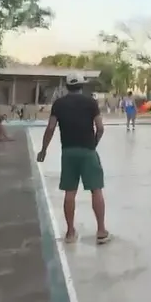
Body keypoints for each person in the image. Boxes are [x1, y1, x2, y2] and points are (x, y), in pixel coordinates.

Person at [36, 73, 109, 244]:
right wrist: (93, 144)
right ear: (82, 85)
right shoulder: (91, 103)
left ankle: (70, 233)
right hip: (88, 151)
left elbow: (50, 128)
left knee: (70, 192)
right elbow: (100, 128)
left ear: (67, 86)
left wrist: (43, 150)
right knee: (96, 189)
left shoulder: (59, 104)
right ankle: (101, 230)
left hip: (68, 151)